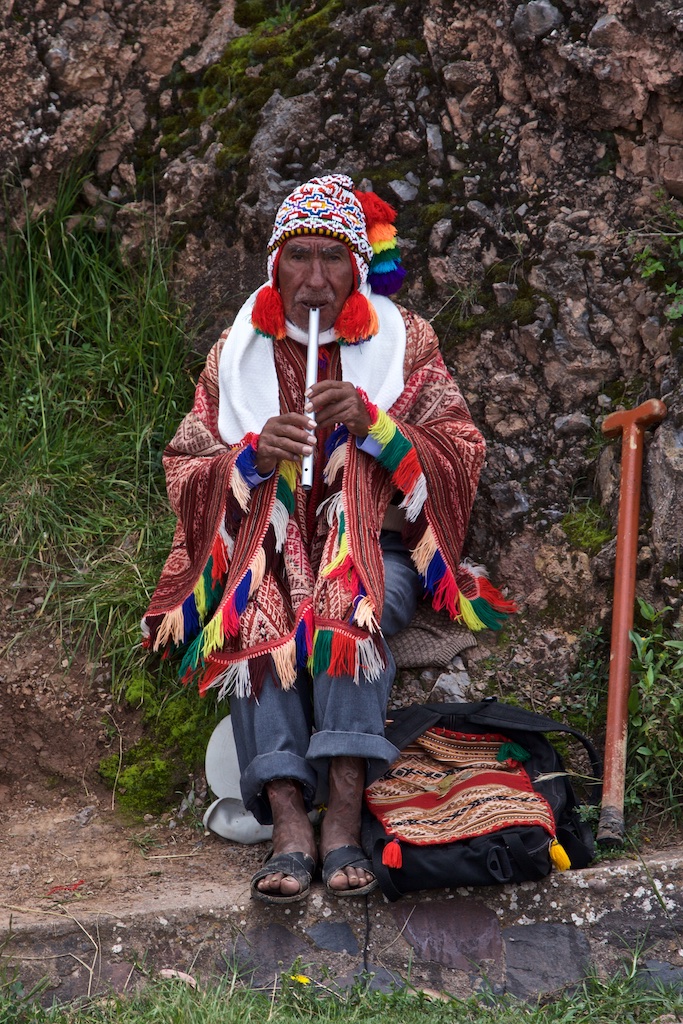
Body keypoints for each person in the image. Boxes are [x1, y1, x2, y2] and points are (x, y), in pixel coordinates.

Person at [142, 174, 513, 903]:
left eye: (333, 259)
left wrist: (377, 427)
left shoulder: (404, 342)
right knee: (255, 617)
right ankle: (287, 823)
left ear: (358, 265)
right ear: (274, 265)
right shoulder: (237, 354)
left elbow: (459, 448)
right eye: (300, 258)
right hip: (269, 556)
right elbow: (186, 465)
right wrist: (249, 458)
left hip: (373, 551)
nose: (315, 280)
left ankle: (342, 818)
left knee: (349, 601)